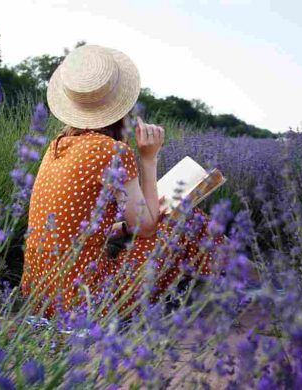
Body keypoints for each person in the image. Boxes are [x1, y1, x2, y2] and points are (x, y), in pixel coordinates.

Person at [20, 45, 223, 318]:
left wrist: (124, 229)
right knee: (188, 218)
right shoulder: (112, 151)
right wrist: (149, 158)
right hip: (87, 303)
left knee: (167, 219)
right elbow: (148, 227)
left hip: (42, 297)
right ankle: (233, 284)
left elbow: (75, 227)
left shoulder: (56, 147)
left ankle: (221, 283)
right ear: (122, 106)